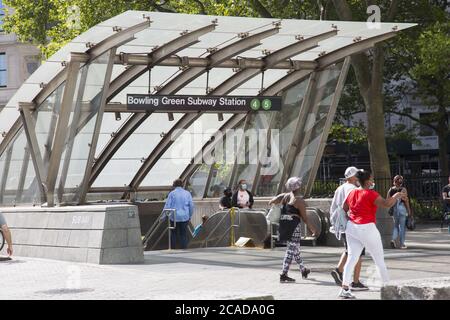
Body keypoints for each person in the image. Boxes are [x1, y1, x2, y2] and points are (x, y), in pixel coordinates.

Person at [338, 170, 407, 299]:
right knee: (379, 259)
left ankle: (345, 289)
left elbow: (344, 207)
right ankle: (388, 289)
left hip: (351, 227)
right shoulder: (370, 194)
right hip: (367, 227)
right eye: (372, 179)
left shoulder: (351, 192)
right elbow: (387, 204)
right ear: (368, 180)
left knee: (352, 258)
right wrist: (397, 195)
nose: (373, 181)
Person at [269, 177, 318, 283]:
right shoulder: (298, 200)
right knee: (291, 250)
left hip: (284, 225)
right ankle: (284, 274)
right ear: (299, 187)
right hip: (294, 227)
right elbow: (305, 218)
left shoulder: (285, 196)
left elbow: (271, 201)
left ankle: (303, 270)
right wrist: (313, 229)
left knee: (294, 249)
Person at [329, 167, 368, 291]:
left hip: (342, 225)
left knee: (349, 250)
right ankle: (355, 282)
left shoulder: (340, 188)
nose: (358, 178)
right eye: (357, 175)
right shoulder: (353, 189)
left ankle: (338, 270)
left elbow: (333, 206)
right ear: (352, 177)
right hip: (353, 224)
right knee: (357, 253)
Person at [162, 179, 194, 249]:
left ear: (174, 185)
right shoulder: (187, 193)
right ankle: (184, 248)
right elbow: (191, 205)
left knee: (173, 233)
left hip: (174, 216)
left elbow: (167, 206)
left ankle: (173, 249)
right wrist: (190, 215)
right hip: (185, 216)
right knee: (183, 234)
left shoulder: (172, 193)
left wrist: (163, 217)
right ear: (182, 185)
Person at [387, 175, 412, 249]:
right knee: (402, 227)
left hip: (394, 208)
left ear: (394, 181)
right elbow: (406, 200)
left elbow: (387, 200)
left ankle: (393, 239)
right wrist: (409, 211)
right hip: (401, 207)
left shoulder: (390, 189)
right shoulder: (403, 189)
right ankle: (402, 244)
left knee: (395, 226)